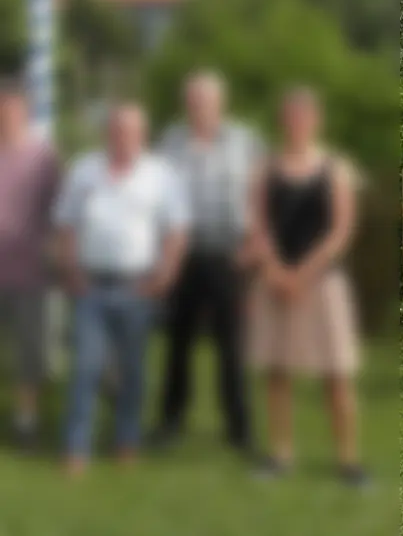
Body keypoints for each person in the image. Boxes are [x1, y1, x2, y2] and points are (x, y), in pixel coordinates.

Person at [54, 102, 188, 477]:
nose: (122, 137)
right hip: (90, 286)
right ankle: (76, 446)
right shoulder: (84, 169)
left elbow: (177, 230)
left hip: (138, 287)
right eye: (116, 130)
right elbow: (66, 223)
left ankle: (127, 440)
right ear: (106, 133)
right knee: (85, 368)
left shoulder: (160, 174)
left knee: (133, 371)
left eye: (130, 131)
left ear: (143, 135)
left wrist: (166, 273)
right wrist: (70, 269)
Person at [244, 88, 366, 486]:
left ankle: (348, 462)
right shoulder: (266, 168)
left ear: (315, 120)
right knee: (278, 373)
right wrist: (277, 272)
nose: (297, 123)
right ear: (284, 121)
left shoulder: (335, 168)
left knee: (337, 374)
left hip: (322, 284)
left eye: (304, 115)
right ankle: (280, 455)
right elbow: (258, 225)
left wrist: (303, 274)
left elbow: (340, 231)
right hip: (275, 283)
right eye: (290, 116)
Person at [152, 71, 262, 454]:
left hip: (229, 256)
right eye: (194, 101)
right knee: (177, 344)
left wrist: (253, 250)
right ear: (187, 104)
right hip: (183, 255)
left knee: (231, 345)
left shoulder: (245, 142)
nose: (199, 107)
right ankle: (170, 420)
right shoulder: (171, 143)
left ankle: (239, 429)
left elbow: (262, 199)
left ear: (220, 103)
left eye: (206, 101)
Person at [0, 77, 59, 450]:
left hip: (29, 271)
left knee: (29, 351)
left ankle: (26, 422)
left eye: (12, 107)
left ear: (26, 111)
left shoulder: (44, 157)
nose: (7, 114)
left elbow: (58, 212)